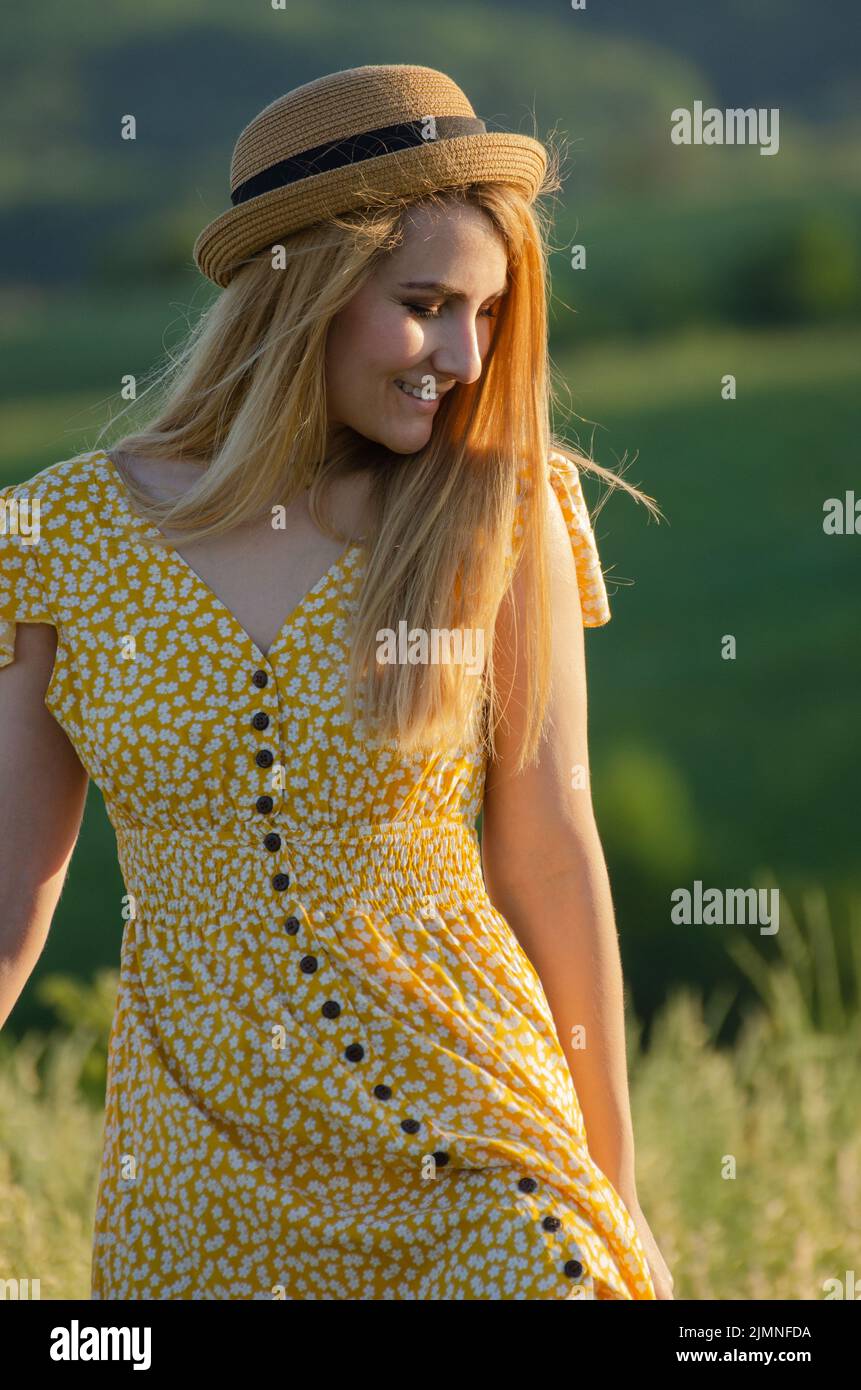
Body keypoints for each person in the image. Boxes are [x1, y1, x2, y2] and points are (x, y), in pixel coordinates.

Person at [0, 63, 673, 1300]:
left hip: (475, 1149)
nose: (464, 357)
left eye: (487, 315)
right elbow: (5, 896)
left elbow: (552, 853)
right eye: (427, 305)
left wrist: (614, 1187)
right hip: (196, 1186)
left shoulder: (499, 512)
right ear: (300, 289)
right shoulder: (58, 541)